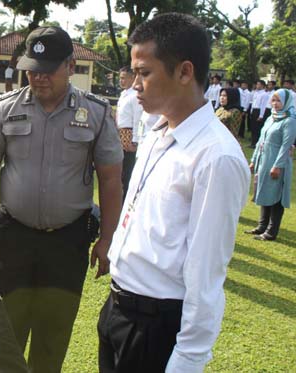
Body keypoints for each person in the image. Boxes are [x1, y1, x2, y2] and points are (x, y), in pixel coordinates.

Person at [97, 13, 250, 372]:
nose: (134, 85)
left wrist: (188, 360)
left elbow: (206, 272)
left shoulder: (216, 158)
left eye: (145, 73)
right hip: (119, 308)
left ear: (184, 72)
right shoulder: (156, 132)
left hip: (156, 323)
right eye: (133, 72)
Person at [0, 26, 123, 372]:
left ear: (70, 66)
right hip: (14, 239)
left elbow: (111, 179)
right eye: (32, 68)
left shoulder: (96, 114)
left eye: (47, 69)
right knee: (3, 334)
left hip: (68, 241)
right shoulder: (5, 110)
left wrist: (107, 239)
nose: (37, 77)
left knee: (52, 336)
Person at [245, 88, 296, 241]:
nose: (275, 104)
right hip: (264, 159)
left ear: (286, 102)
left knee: (276, 195)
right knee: (264, 190)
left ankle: (271, 231)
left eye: (278, 100)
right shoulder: (271, 118)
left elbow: (286, 145)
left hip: (277, 161)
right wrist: (254, 160)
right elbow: (261, 140)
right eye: (273, 100)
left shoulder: (290, 120)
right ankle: (261, 226)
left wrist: (278, 165)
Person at [116, 66, 143, 196]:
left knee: (127, 170)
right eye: (120, 78)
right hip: (120, 133)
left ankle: (127, 197)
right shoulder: (124, 94)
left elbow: (138, 119)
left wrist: (135, 141)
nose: (121, 81)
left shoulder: (134, 95)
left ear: (132, 77)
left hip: (129, 134)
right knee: (119, 170)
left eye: (123, 78)